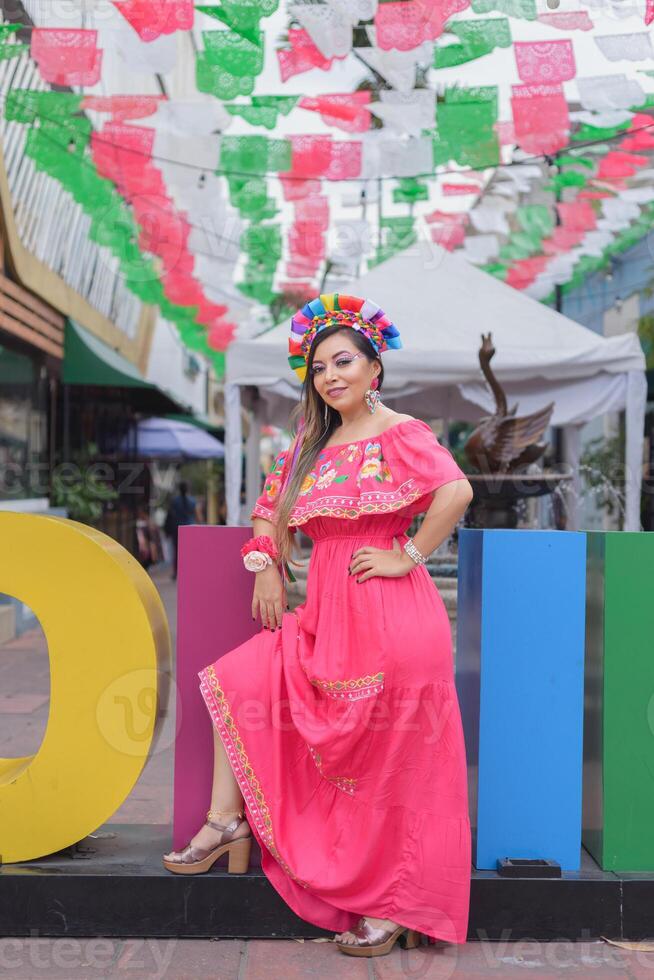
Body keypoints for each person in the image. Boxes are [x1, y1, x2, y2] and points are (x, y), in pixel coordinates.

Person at [163, 293, 474, 957]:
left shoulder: (403, 432)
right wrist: (267, 566)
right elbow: (269, 512)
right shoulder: (312, 441)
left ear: (373, 368)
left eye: (343, 362)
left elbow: (456, 492)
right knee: (240, 678)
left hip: (392, 616)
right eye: (318, 368)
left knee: (393, 762)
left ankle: (391, 906)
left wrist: (408, 555)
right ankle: (225, 822)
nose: (330, 376)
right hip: (327, 616)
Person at [164, 481, 197, 580]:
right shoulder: (192, 501)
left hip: (177, 529)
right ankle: (189, 571)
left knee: (176, 551)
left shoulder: (174, 501)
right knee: (189, 551)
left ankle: (176, 572)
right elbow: (196, 514)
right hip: (189, 529)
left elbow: (170, 515)